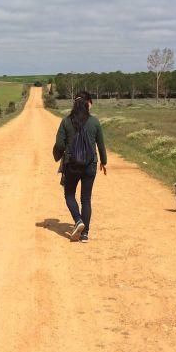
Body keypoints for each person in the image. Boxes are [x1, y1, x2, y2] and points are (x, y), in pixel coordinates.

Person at [53, 90, 107, 242]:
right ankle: (85, 234)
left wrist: (59, 154)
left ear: (74, 104)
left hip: (72, 165)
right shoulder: (94, 121)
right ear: (87, 104)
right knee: (86, 199)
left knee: (69, 195)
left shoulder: (66, 121)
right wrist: (103, 161)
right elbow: (101, 145)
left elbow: (59, 144)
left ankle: (78, 220)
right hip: (90, 165)